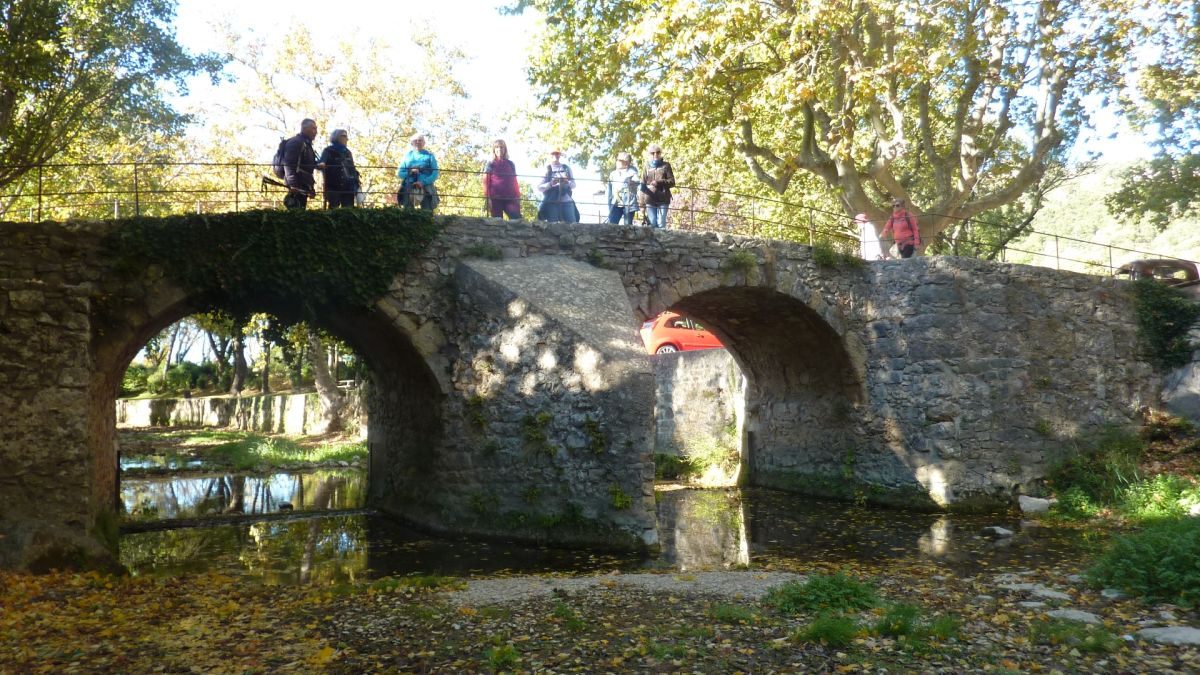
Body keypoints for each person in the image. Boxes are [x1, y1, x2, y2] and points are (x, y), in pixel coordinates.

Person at [282, 118, 323, 210]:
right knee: (296, 212)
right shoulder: (296, 142)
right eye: (313, 128)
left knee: (300, 210)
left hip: (304, 183)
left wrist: (317, 165)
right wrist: (293, 184)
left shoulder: (306, 144)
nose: (315, 132)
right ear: (304, 128)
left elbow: (307, 164)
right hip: (297, 184)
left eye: (316, 129)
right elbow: (289, 164)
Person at [318, 129, 360, 209]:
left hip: (348, 187)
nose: (346, 139)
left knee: (349, 211)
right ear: (337, 137)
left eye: (347, 136)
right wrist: (322, 164)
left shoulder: (348, 152)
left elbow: (352, 169)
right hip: (333, 187)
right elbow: (321, 162)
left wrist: (356, 184)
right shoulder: (328, 151)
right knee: (334, 210)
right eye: (344, 136)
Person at [396, 133, 439, 210]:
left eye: (420, 140)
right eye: (415, 140)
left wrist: (423, 182)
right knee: (407, 212)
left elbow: (435, 174)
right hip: (408, 186)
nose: (418, 142)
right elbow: (399, 173)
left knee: (427, 211)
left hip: (426, 186)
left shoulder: (430, 156)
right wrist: (410, 172)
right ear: (412, 143)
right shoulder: (407, 156)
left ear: (424, 143)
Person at [482, 139, 521, 219]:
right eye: (497, 147)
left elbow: (515, 182)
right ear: (494, 150)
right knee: (497, 223)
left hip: (511, 198)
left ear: (505, 149)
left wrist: (518, 197)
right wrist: (488, 198)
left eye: (501, 147)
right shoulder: (490, 164)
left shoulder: (511, 164)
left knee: (517, 220)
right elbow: (485, 181)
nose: (499, 149)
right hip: (495, 198)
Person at [537, 148, 578, 223]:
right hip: (552, 201)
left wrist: (567, 182)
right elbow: (539, 187)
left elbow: (574, 185)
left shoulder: (566, 168)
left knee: (573, 224)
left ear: (560, 155)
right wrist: (551, 183)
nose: (556, 155)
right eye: (553, 153)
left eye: (558, 153)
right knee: (553, 225)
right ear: (550, 155)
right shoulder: (547, 169)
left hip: (566, 200)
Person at [639, 144, 675, 228]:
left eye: (658, 152)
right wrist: (641, 204)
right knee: (652, 223)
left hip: (663, 198)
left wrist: (659, 182)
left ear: (660, 153)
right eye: (652, 153)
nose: (655, 155)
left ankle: (662, 241)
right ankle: (652, 241)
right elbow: (642, 185)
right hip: (649, 199)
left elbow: (672, 181)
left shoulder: (666, 165)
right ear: (649, 154)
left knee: (661, 223)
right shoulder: (646, 166)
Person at [606, 152, 640, 225]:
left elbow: (637, 182)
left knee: (627, 226)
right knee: (612, 225)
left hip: (629, 204)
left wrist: (632, 182)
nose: (617, 162)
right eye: (617, 160)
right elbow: (609, 190)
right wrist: (609, 203)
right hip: (615, 204)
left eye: (619, 160)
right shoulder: (613, 174)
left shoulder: (633, 172)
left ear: (626, 162)